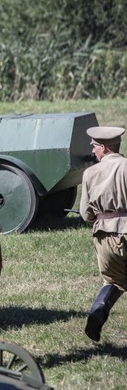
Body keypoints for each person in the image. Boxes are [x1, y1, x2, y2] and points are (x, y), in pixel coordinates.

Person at [80, 126, 127, 342]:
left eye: (95, 147)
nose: (93, 151)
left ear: (105, 148)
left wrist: (98, 218)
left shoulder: (90, 173)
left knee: (113, 281)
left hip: (104, 235)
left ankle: (99, 309)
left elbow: (85, 213)